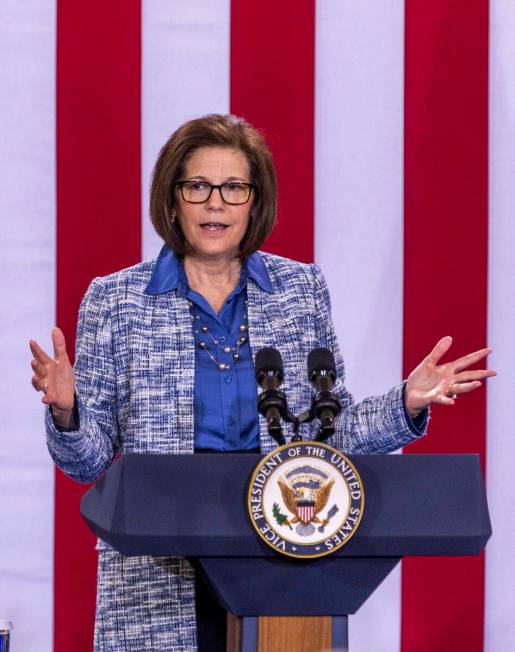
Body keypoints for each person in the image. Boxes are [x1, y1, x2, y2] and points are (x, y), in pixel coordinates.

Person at [29, 114, 496, 652]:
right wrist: (67, 412)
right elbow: (86, 463)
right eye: (198, 186)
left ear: (255, 202)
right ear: (173, 199)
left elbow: (329, 434)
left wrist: (406, 402)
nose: (215, 203)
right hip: (158, 569)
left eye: (234, 187)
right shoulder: (116, 301)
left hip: (282, 558)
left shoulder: (300, 289)